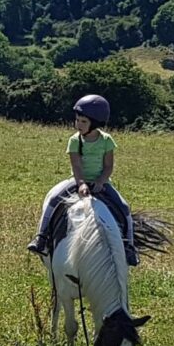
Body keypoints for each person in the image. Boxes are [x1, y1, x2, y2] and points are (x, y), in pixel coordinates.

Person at [26, 93, 137, 264]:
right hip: (78, 179)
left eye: (83, 121)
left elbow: (108, 166)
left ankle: (129, 247)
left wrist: (100, 182)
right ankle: (41, 237)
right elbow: (76, 166)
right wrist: (81, 183)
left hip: (101, 181)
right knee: (53, 200)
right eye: (77, 120)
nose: (78, 124)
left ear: (96, 123)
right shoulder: (74, 140)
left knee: (124, 207)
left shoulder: (107, 141)